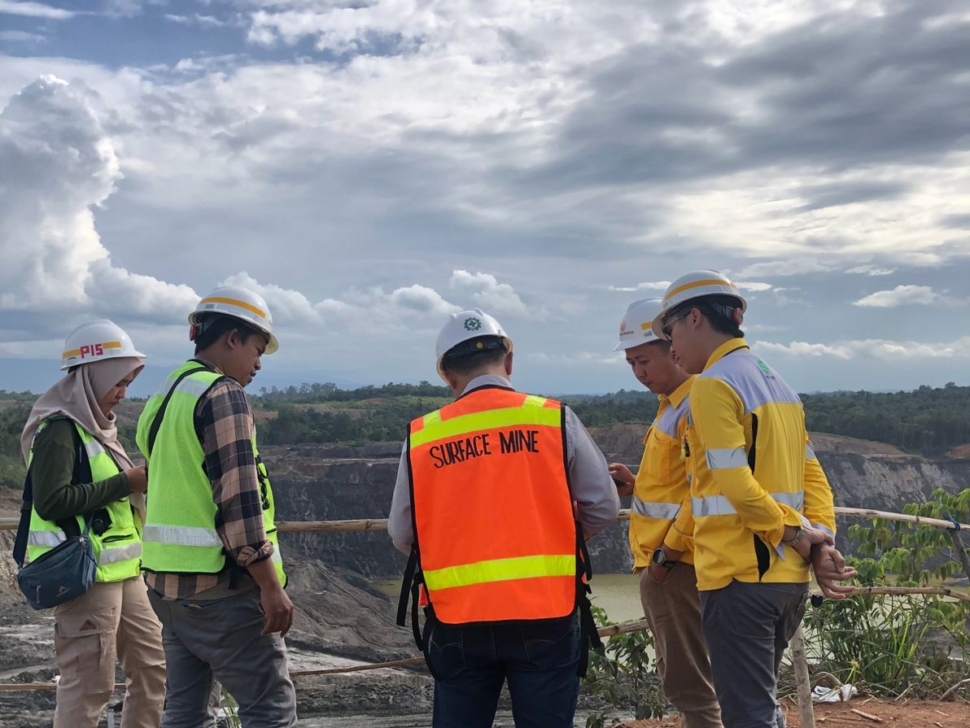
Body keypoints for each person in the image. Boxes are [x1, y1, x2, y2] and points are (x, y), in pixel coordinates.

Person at [389, 308, 620, 728]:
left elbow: (403, 532)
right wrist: (552, 538)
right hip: (547, 612)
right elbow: (603, 506)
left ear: (446, 374)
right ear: (508, 361)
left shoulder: (423, 435)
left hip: (457, 618)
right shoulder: (553, 418)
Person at [651, 270, 856, 728]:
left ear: (696, 317)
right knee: (759, 706)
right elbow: (813, 477)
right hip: (786, 581)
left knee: (746, 714)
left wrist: (800, 534)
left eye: (671, 331)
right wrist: (821, 542)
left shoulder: (712, 385)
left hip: (738, 576)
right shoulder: (779, 384)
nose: (671, 347)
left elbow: (736, 485)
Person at [135, 286, 296, 728]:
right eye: (257, 349)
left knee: (184, 712)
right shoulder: (222, 394)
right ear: (232, 339)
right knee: (269, 709)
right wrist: (268, 584)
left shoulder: (165, 395)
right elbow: (239, 497)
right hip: (219, 591)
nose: (258, 363)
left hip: (165, 588)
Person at [20, 319, 166, 728]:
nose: (121, 394)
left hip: (124, 571)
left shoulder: (98, 429)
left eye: (126, 384)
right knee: (89, 685)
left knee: (153, 668)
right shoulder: (61, 431)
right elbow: (52, 502)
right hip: (85, 576)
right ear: (92, 375)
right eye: (117, 383)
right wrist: (126, 482)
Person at [607, 298, 722, 728]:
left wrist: (665, 559)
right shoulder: (671, 405)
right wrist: (638, 487)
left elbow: (705, 489)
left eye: (644, 360)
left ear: (672, 347)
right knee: (697, 681)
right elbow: (682, 483)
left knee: (691, 687)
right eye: (631, 363)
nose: (639, 372)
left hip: (677, 566)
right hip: (672, 564)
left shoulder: (694, 404)